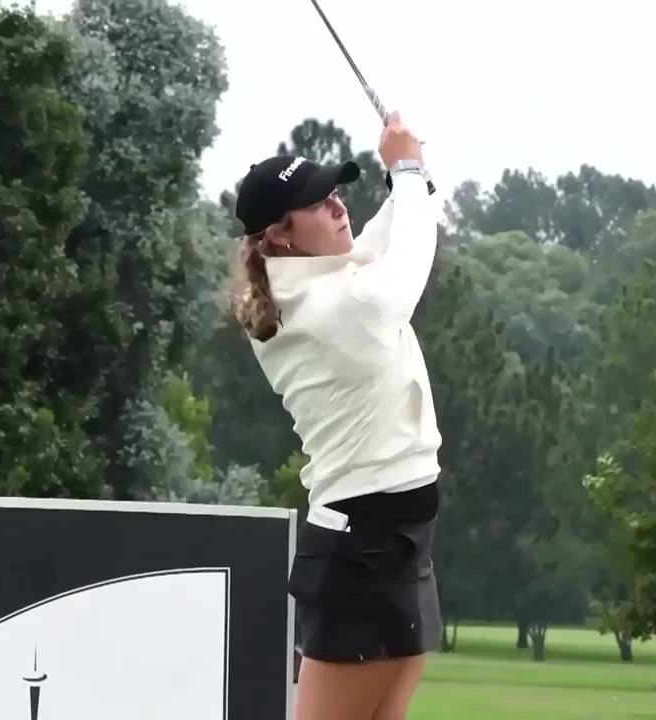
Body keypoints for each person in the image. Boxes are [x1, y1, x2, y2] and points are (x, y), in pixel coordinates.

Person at [228, 112, 443, 720]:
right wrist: (406, 172)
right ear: (281, 235)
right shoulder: (329, 306)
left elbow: (381, 241)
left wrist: (411, 182)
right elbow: (400, 271)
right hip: (362, 543)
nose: (338, 205)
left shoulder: (317, 280)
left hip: (396, 534)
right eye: (318, 203)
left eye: (336, 193)